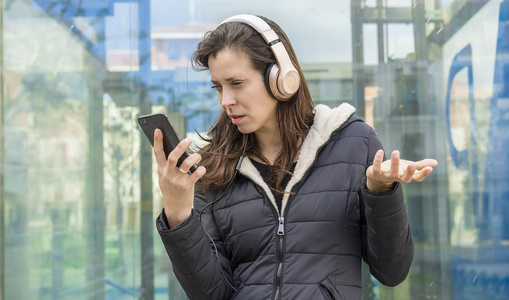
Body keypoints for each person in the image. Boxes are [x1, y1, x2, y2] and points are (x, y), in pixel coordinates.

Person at [153, 14, 438, 300]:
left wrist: (381, 192)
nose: (225, 100)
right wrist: (178, 216)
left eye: (237, 83)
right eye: (218, 87)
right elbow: (211, 295)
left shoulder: (355, 143)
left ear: (282, 78)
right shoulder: (212, 169)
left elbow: (392, 271)